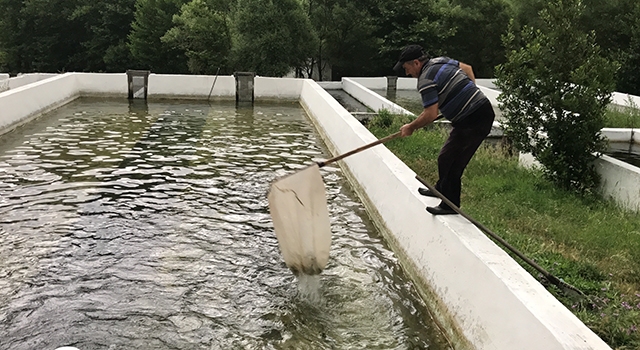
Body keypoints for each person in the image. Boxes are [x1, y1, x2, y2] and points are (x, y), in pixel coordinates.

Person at [394, 44, 495, 215]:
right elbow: (467, 69)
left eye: (407, 68)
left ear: (416, 63)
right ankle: (440, 190)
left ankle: (450, 205)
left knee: (449, 160)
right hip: (480, 112)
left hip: (473, 119)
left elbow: (431, 114)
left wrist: (411, 127)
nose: (407, 73)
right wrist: (469, 91)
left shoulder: (425, 80)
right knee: (451, 158)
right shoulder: (440, 61)